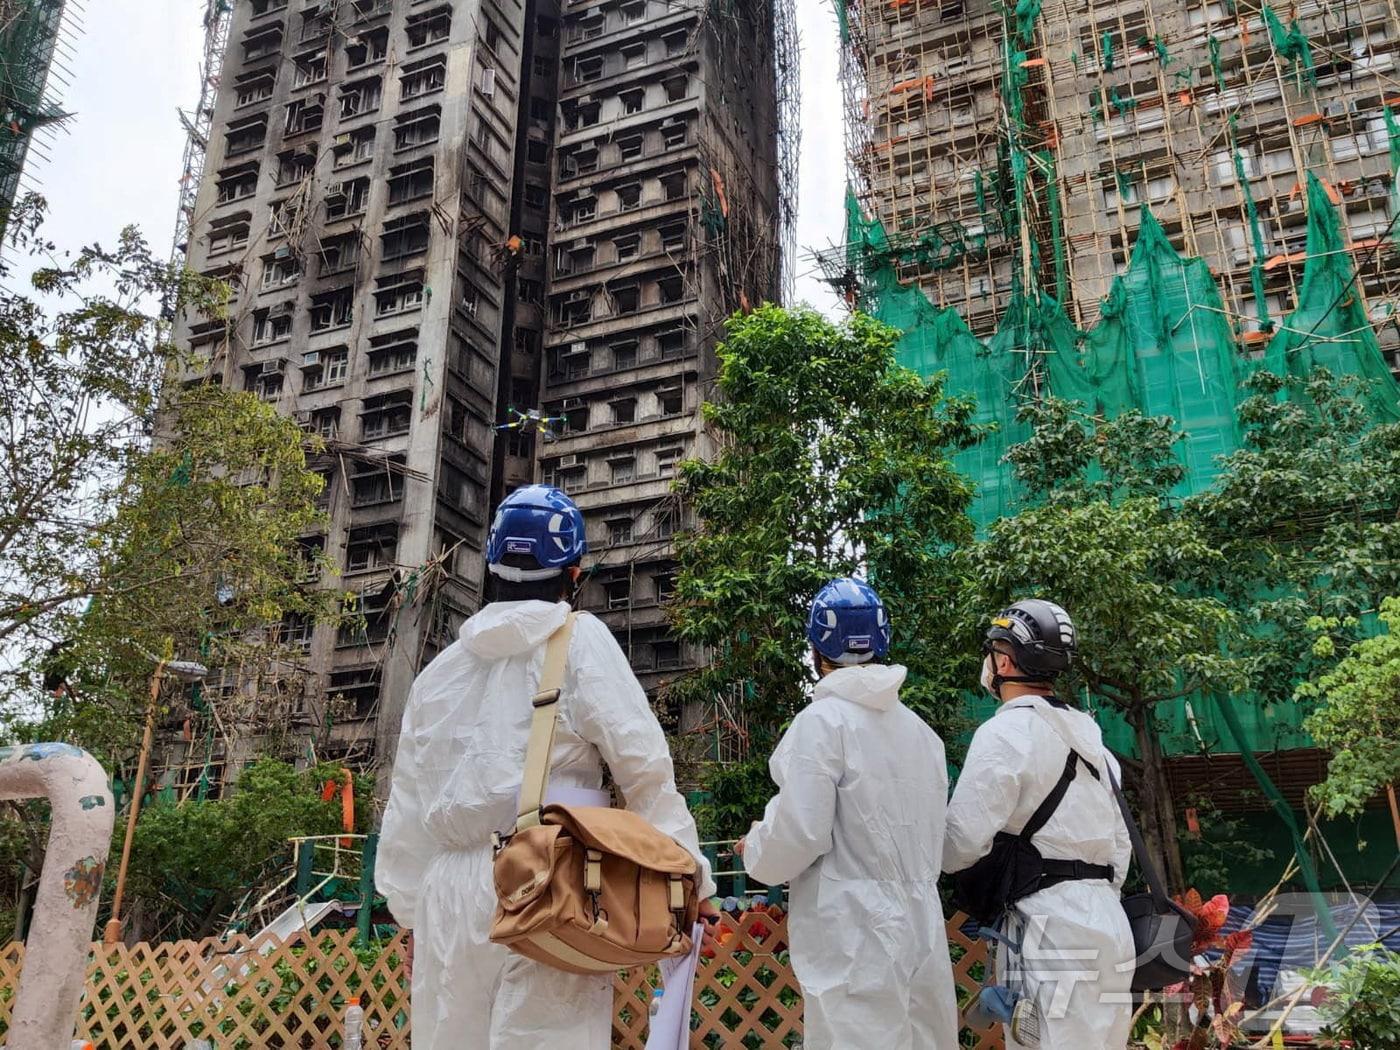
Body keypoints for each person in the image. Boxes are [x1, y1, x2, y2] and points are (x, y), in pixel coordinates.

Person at [376, 484, 717, 1050]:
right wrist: (693, 878)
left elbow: (408, 804)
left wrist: (409, 910)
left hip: (445, 894)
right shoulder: (579, 642)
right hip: (547, 877)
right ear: (574, 571)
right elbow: (644, 772)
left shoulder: (438, 674)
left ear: (491, 564)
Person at [736, 578, 959, 1050]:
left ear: (818, 649)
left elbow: (800, 831)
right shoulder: (922, 734)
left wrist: (755, 847)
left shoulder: (822, 722)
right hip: (921, 923)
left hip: (852, 932)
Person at [944, 599, 1135, 1050]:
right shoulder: (1095, 745)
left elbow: (959, 845)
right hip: (1110, 923)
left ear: (1005, 660)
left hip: (1049, 930)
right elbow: (1120, 849)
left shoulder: (1006, 734)